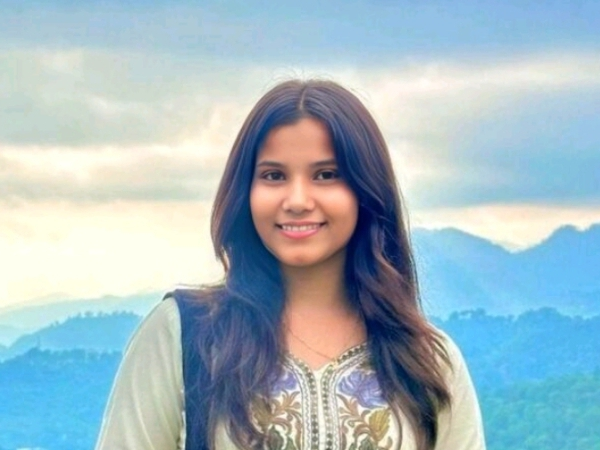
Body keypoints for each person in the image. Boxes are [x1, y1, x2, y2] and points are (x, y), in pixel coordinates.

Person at [95, 79, 486, 450]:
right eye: (274, 175)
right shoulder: (186, 335)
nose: (297, 200)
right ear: (245, 191)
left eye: (326, 175)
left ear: (366, 191)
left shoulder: (427, 362)